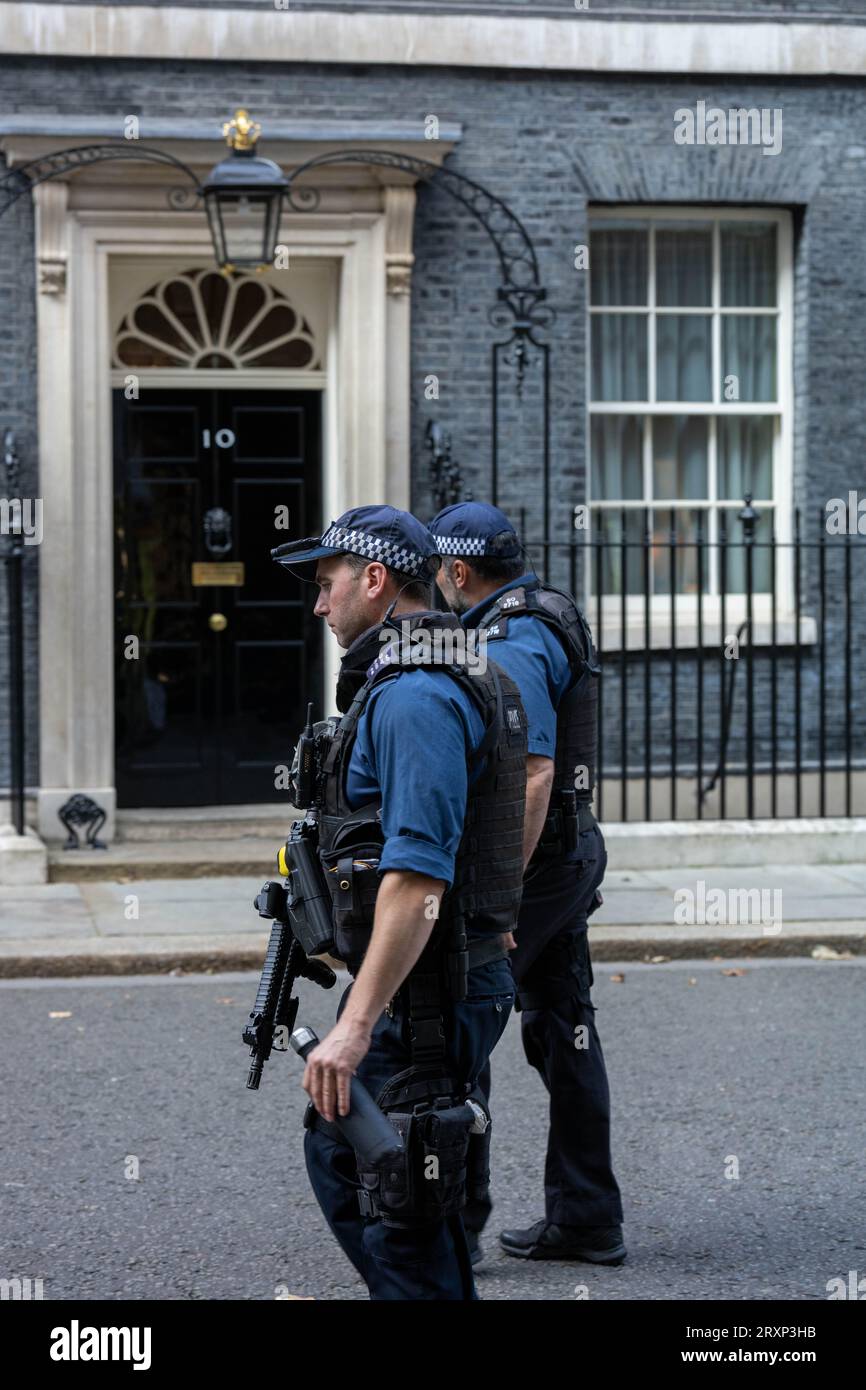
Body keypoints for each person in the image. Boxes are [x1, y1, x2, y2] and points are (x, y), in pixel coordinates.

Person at [271, 504, 527, 1300]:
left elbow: (418, 877)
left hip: (430, 994)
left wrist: (352, 1027)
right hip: (440, 979)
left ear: (375, 579)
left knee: (391, 1189)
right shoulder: (435, 671)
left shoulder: (417, 694)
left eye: (327, 583)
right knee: (400, 1180)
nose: (319, 604)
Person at [427, 501, 625, 1267]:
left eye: (439, 572)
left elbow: (533, 772)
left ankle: (455, 1225)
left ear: (459, 570)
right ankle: (585, 1217)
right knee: (562, 1029)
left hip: (536, 872)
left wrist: (496, 897)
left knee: (459, 1020)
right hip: (567, 860)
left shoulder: (511, 640)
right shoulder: (546, 608)